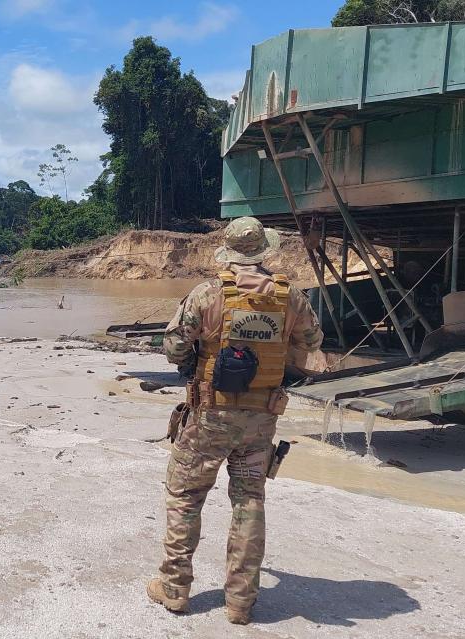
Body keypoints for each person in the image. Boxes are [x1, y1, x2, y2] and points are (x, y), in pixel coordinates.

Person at [147, 216, 323, 625]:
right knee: (249, 501)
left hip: (209, 416)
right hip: (262, 418)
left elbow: (174, 343)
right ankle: (241, 602)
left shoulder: (208, 293)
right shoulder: (290, 297)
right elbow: (312, 344)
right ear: (265, 251)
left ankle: (174, 588)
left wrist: (190, 364)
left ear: (228, 252)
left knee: (185, 496)